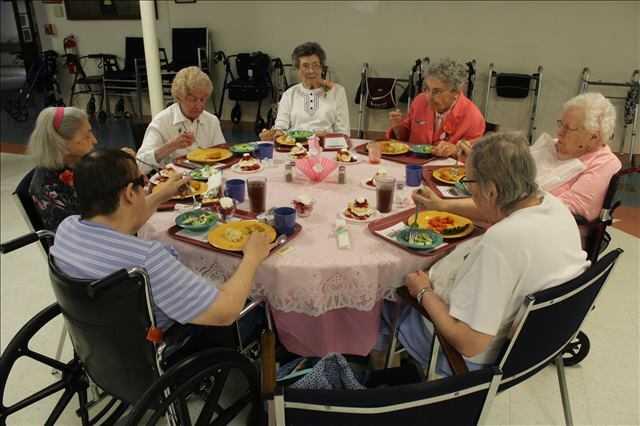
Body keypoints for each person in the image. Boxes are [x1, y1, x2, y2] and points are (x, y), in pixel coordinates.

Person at [375, 132, 589, 373]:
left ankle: (379, 382)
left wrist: (423, 292)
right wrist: (442, 205)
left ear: (491, 191)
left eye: (470, 183)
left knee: (386, 294)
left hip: (465, 357)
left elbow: (469, 342)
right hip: (539, 345)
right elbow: (492, 208)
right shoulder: (552, 204)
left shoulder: (502, 242)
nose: (469, 191)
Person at [51, 150, 274, 335]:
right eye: (142, 181)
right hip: (168, 342)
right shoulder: (145, 258)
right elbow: (227, 312)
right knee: (261, 304)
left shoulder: (66, 229)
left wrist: (162, 194)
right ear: (130, 193)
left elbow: (126, 222)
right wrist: (252, 258)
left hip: (102, 338)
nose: (146, 186)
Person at [417, 92, 622, 222]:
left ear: (594, 137)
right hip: (501, 213)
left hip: (535, 232)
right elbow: (509, 175)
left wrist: (445, 206)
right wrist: (480, 162)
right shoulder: (551, 146)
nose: (559, 132)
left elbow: (562, 213)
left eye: (569, 128)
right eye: (561, 123)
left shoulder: (604, 164)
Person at [386, 58, 485, 158]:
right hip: (415, 164)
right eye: (427, 89)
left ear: (455, 92)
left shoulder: (473, 117)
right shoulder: (419, 102)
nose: (429, 96)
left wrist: (455, 150)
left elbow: (476, 158)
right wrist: (397, 128)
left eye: (437, 91)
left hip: (447, 171)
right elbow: (405, 140)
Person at [137, 66, 226, 174]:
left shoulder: (211, 121)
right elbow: (140, 165)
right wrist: (170, 146)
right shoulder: (162, 121)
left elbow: (223, 155)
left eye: (202, 99)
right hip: (173, 183)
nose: (199, 106)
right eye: (192, 100)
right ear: (179, 98)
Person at [259, 42, 350, 140]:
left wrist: (326, 137)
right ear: (298, 69)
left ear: (322, 68)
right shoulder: (289, 94)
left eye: (315, 65)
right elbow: (281, 127)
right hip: (294, 149)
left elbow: (343, 132)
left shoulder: (337, 92)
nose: (311, 70)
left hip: (327, 148)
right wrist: (272, 133)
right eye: (305, 66)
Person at [28, 106, 97, 231]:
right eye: (86, 136)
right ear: (62, 143)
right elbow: (80, 233)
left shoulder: (80, 162)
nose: (94, 140)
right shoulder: (46, 188)